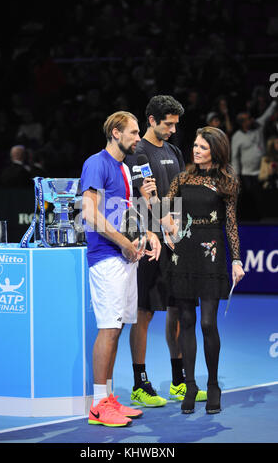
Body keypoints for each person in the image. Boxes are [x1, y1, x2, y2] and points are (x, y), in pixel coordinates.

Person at [146, 126, 245, 414]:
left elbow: (230, 223)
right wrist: (153, 200)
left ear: (215, 150)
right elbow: (165, 210)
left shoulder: (227, 180)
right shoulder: (183, 177)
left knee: (207, 324)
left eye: (202, 147)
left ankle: (213, 385)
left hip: (211, 255)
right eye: (195, 145)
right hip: (184, 253)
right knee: (186, 321)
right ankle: (190, 385)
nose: (195, 150)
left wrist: (236, 260)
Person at [81, 110, 161, 427]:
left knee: (118, 328)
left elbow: (126, 212)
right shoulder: (96, 163)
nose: (138, 138)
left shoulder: (125, 169)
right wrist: (124, 244)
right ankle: (98, 404)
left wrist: (147, 234)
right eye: (133, 132)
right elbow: (89, 214)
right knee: (109, 329)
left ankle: (109, 398)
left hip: (126, 258)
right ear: (116, 132)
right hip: (106, 257)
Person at [125, 95, 207, 407]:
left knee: (178, 310)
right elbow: (145, 198)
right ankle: (139, 383)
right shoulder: (139, 152)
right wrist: (163, 226)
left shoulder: (172, 150)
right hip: (149, 243)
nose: (173, 129)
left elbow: (178, 195)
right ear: (152, 120)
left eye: (175, 124)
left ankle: (178, 381)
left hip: (176, 242)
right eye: (167, 124)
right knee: (143, 314)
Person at [231, 100, 277, 220]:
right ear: (243, 123)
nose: (252, 120)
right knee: (252, 199)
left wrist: (274, 102)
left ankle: (265, 219)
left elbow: (267, 114)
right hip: (247, 174)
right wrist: (237, 176)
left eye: (251, 118)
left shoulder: (258, 125)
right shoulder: (237, 137)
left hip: (262, 171)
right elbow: (235, 158)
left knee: (265, 198)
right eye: (248, 119)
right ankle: (252, 220)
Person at [258, 135, 278, 218]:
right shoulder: (266, 160)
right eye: (277, 143)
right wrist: (269, 174)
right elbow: (261, 177)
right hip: (269, 189)